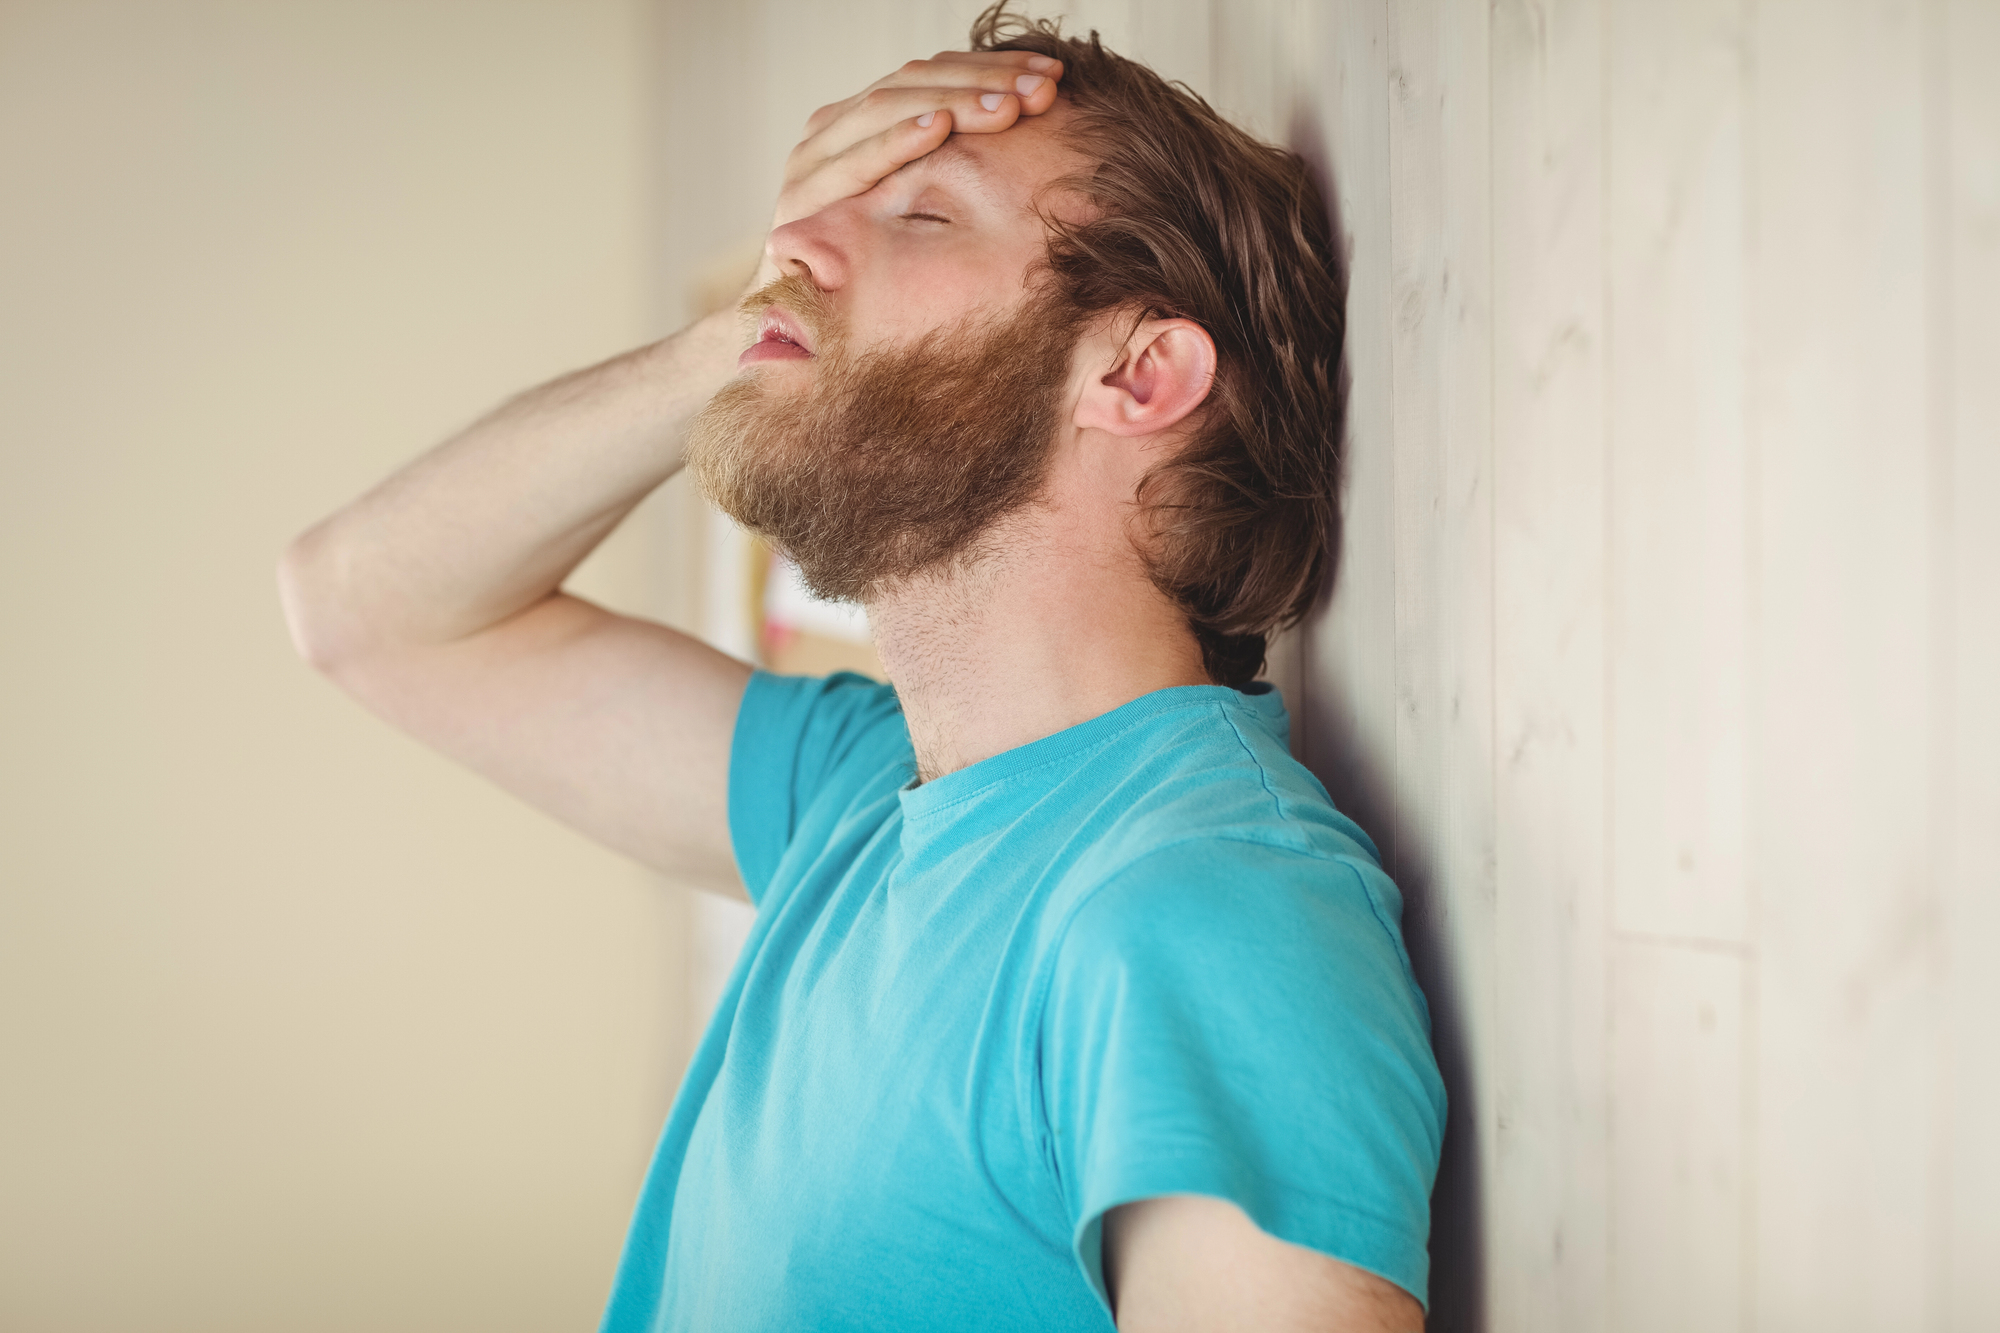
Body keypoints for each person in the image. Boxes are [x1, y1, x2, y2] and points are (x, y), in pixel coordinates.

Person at [279, 6, 1444, 1330]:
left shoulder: (1207, 913)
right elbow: (363, 607)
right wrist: (758, 335)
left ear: (1137, 371)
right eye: (830, 207)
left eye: (929, 216)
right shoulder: (856, 797)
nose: (790, 238)